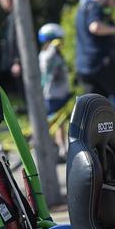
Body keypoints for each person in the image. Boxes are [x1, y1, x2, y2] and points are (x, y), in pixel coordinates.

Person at [38, 22, 71, 155]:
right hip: (52, 94)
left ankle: (62, 148)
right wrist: (52, 47)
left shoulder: (56, 54)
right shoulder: (46, 55)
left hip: (61, 93)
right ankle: (52, 149)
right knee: (52, 123)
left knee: (61, 123)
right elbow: (46, 64)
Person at [0, 0, 21, 92]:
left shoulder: (17, 17)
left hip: (19, 62)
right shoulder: (12, 17)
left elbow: (16, 40)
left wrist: (17, 61)